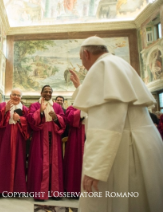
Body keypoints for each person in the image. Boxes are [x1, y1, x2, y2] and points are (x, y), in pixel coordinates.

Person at [69, 36, 163, 211]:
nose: (83, 64)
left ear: (86, 53)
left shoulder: (102, 66)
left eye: (81, 59)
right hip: (142, 143)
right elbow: (116, 102)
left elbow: (106, 122)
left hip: (123, 147)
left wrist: (95, 168)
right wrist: (80, 88)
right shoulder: (118, 63)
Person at [0, 88, 29, 196]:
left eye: (18, 95)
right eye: (14, 94)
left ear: (21, 97)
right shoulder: (1, 104)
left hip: (18, 135)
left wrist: (20, 119)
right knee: (2, 159)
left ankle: (17, 189)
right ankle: (0, 188)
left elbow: (29, 121)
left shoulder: (24, 109)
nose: (16, 97)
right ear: (10, 95)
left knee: (18, 160)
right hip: (3, 134)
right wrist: (5, 110)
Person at [27, 85, 66, 201]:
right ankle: (40, 191)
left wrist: (55, 117)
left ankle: (54, 191)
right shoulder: (34, 105)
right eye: (46, 91)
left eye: (50, 92)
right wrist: (41, 112)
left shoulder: (57, 106)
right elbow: (31, 121)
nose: (48, 94)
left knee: (54, 163)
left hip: (53, 135)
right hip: (40, 135)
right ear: (41, 93)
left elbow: (63, 122)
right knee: (40, 162)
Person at [63, 105, 86, 196]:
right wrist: (81, 110)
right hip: (77, 135)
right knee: (75, 161)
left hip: (91, 133)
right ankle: (74, 189)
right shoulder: (72, 108)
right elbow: (70, 119)